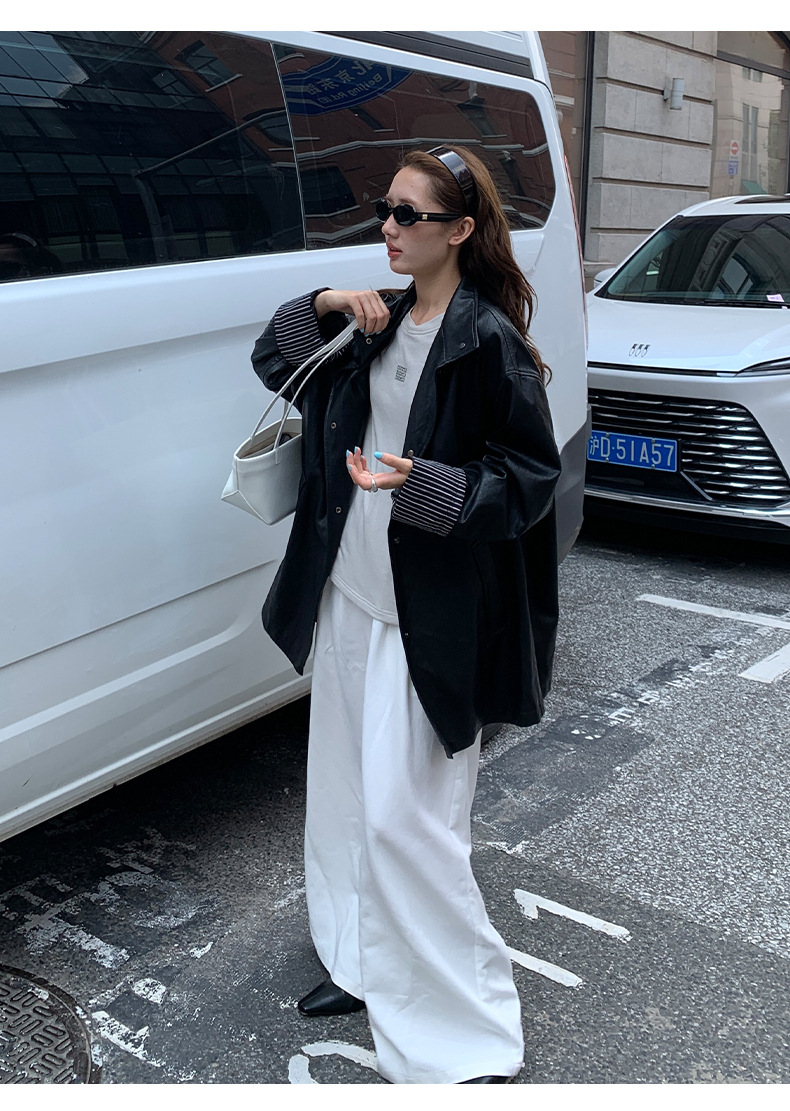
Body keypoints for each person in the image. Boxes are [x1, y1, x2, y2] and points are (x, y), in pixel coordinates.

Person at [251, 145, 561, 1085]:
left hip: (431, 613)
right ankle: (360, 960)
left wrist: (423, 484)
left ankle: (468, 1029)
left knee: (408, 821)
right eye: (383, 209)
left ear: (459, 230)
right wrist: (324, 303)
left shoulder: (486, 340)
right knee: (345, 798)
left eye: (407, 215)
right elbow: (273, 363)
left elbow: (529, 479)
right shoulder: (379, 321)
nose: (386, 228)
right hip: (351, 588)